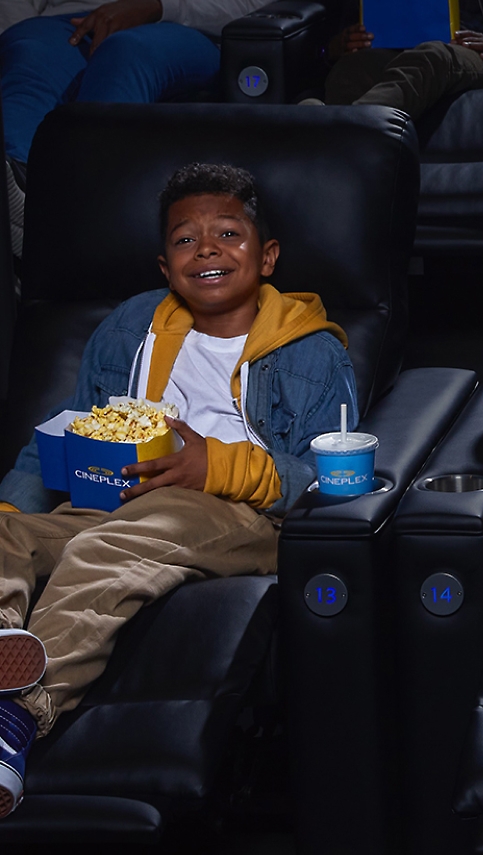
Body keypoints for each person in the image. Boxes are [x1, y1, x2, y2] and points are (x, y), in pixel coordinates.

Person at [0, 163, 357, 820]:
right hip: (109, 498)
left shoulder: (310, 349)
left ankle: (16, 719)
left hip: (236, 513)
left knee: (101, 553)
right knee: (6, 531)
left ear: (267, 256)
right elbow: (68, 426)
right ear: (165, 266)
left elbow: (316, 474)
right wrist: (15, 505)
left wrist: (209, 466)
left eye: (228, 233)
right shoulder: (130, 327)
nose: (208, 249)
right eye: (186, 240)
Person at [0, 0, 265, 164]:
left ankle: (89, 200)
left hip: (182, 26)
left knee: (124, 55)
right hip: (67, 22)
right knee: (29, 55)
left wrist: (158, 6)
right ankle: (21, 194)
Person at [311, 0, 483, 121]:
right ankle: (333, 159)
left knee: (434, 56)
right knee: (353, 67)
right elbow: (340, 26)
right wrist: (338, 45)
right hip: (399, 53)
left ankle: (335, 134)